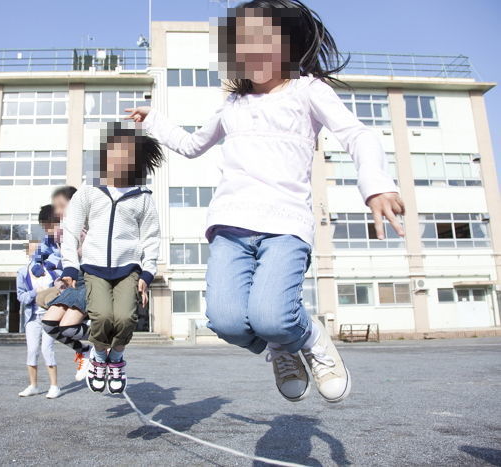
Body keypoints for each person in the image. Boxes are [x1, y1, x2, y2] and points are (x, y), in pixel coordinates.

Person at [127, 0, 405, 403]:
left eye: (264, 37)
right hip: (230, 227)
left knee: (272, 317)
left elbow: (356, 134)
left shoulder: (308, 90)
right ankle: (282, 347)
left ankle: (307, 337)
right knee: (227, 323)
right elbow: (190, 145)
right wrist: (153, 120)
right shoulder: (233, 106)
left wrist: (376, 184)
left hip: (285, 228)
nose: (252, 49)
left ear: (290, 44)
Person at [59, 122, 163, 394]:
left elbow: (151, 237)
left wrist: (147, 273)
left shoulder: (143, 197)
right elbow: (70, 229)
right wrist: (69, 266)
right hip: (94, 268)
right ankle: (97, 356)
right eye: (114, 152)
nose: (119, 158)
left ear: (136, 162)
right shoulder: (90, 190)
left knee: (127, 319)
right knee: (103, 317)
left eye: (127, 154)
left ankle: (115, 360)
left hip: (128, 268)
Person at [40, 186, 91, 382]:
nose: (52, 233)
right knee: (49, 324)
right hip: (74, 281)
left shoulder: (83, 224)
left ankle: (107, 338)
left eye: (61, 206)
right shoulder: (63, 237)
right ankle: (84, 350)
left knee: (69, 327)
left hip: (88, 279)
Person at [15, 205, 62, 399]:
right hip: (32, 316)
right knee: (32, 350)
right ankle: (33, 385)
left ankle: (54, 386)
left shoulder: (53, 270)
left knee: (46, 348)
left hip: (49, 315)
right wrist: (35, 293)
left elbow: (61, 288)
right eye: (35, 251)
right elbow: (21, 296)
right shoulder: (23, 273)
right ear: (29, 254)